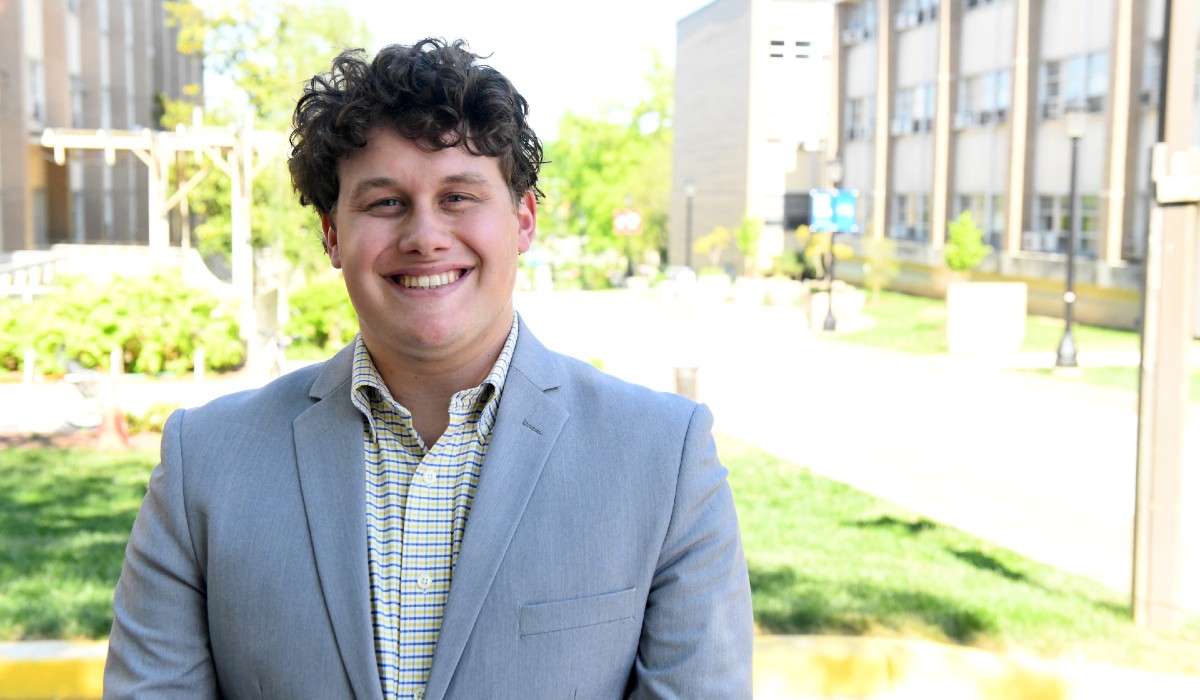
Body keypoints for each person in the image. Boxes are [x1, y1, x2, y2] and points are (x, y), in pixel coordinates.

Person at [104, 38, 753, 699]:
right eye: (385, 202)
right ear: (332, 234)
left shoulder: (664, 460)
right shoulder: (203, 464)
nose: (424, 235)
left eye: (459, 196)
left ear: (523, 219)